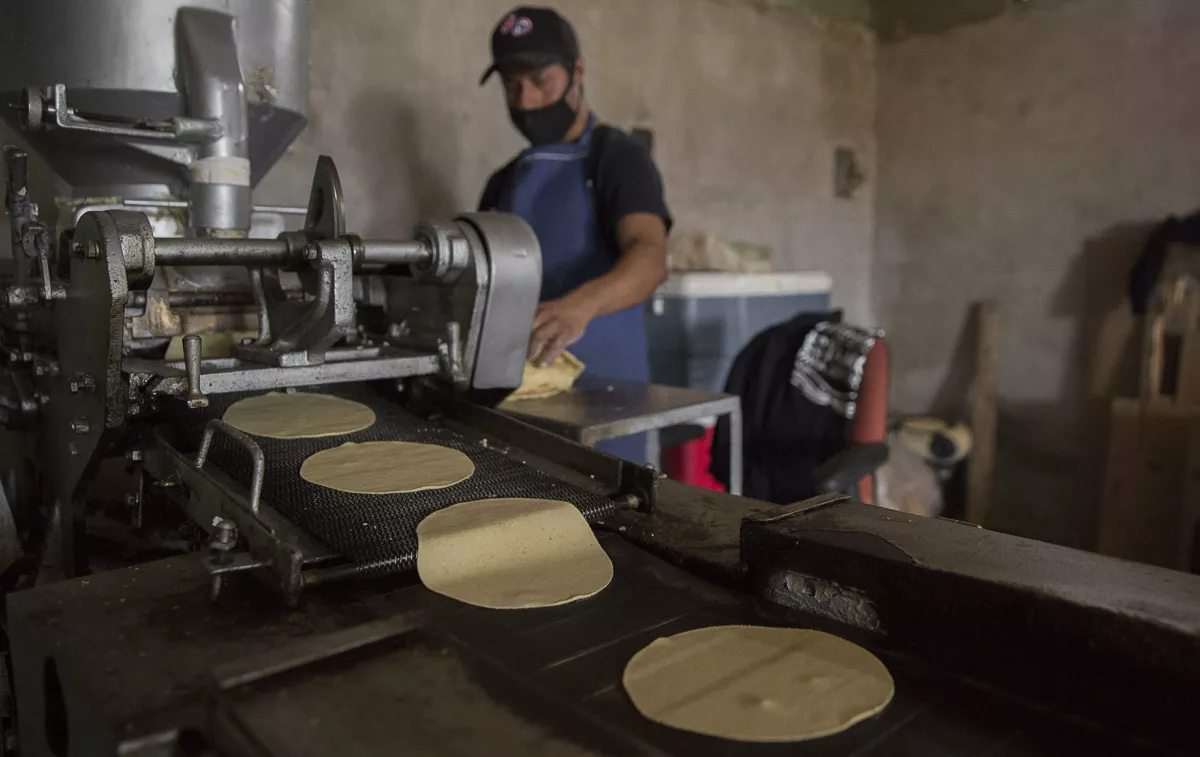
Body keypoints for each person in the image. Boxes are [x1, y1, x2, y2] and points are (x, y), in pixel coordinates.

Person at [478, 6, 672, 464]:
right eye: (511, 86)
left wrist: (578, 307)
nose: (524, 100)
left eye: (539, 81)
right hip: (521, 398)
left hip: (607, 398)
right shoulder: (502, 180)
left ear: (577, 72)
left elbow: (651, 257)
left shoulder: (617, 157)